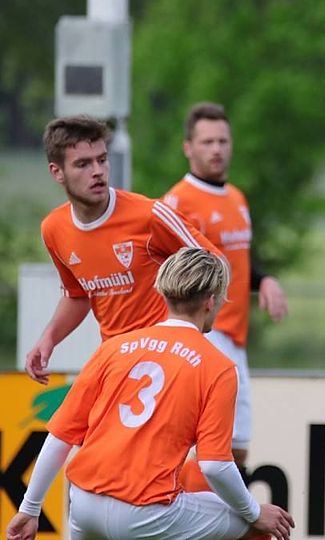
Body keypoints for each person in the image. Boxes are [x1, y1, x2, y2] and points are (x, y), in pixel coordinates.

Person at [5, 247, 295, 540]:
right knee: (257, 526)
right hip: (146, 513)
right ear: (211, 301)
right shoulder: (218, 367)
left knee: (197, 489)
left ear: (164, 294)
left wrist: (30, 509)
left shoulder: (114, 348)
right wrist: (255, 513)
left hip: (84, 506)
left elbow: (60, 437)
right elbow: (215, 465)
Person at [26, 115, 220, 385]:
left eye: (102, 160)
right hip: (115, 361)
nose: (97, 171)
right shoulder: (54, 229)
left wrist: (199, 325)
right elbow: (78, 295)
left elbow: (215, 263)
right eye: (83, 164)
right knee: (67, 415)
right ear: (57, 172)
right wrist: (48, 339)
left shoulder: (150, 215)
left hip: (167, 362)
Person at [163, 102, 288, 468]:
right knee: (209, 449)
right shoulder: (178, 203)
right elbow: (170, 275)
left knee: (237, 448)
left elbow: (234, 259)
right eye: (207, 142)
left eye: (222, 141)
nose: (216, 149)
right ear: (188, 148)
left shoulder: (236, 197)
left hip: (234, 336)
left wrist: (263, 280)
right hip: (203, 334)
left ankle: (213, 507)